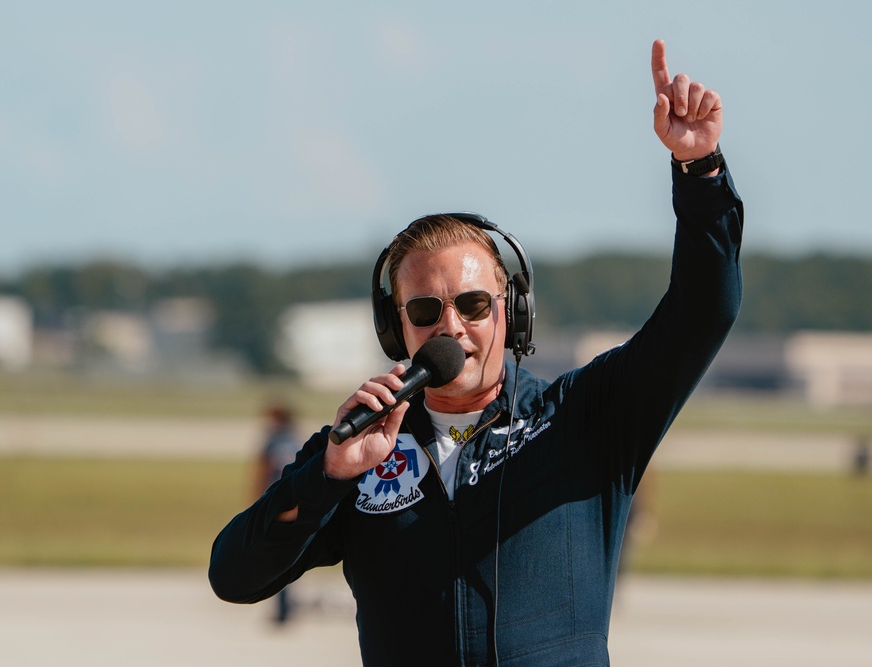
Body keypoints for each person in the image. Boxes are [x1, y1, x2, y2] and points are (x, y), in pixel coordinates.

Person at [210, 39, 743, 666]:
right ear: (396, 329)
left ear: (510, 311)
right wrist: (328, 474)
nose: (452, 327)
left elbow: (702, 312)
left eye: (473, 305)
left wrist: (700, 170)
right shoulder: (354, 451)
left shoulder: (584, 419)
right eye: (426, 311)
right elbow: (234, 576)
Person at [252, 403, 303, 624]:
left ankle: (281, 608)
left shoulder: (272, 440)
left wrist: (255, 501)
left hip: (274, 502)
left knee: (274, 555)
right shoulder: (296, 439)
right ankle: (286, 605)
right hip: (295, 501)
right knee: (289, 555)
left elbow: (262, 470)